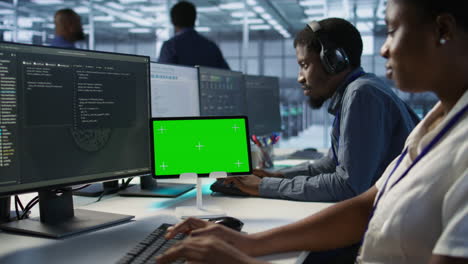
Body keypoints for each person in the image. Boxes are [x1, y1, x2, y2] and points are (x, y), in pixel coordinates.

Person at [156, 0, 468, 263]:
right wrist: (251, 237)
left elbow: (348, 185)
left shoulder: (363, 94)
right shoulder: (435, 123)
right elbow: (363, 204)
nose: (385, 49)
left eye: (391, 31)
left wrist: (246, 255)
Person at [224, 18, 420, 202]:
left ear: (333, 61)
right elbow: (332, 163)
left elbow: (348, 186)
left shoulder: (361, 94)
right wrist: (276, 176)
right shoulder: (358, 90)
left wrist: (264, 187)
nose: (300, 78)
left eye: (304, 65)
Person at [158, 1, 230, 69]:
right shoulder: (212, 47)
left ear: (172, 21)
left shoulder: (170, 46)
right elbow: (228, 74)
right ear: (195, 19)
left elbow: (162, 76)